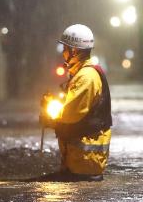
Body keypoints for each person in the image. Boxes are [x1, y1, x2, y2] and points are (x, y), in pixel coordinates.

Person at [36, 24, 112, 181]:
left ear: (74, 51)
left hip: (85, 163)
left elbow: (69, 116)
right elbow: (75, 105)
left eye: (65, 48)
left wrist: (50, 118)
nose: (63, 52)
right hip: (80, 162)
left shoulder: (86, 77)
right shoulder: (83, 73)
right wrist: (53, 102)